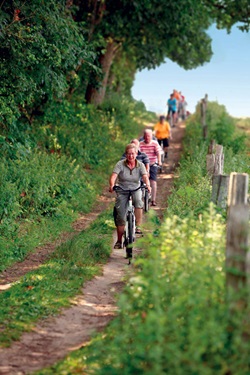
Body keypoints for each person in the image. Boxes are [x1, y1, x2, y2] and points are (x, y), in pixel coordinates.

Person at [109, 143, 151, 249]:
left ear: (136, 154)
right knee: (121, 216)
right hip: (122, 190)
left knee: (138, 201)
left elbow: (145, 177)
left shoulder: (140, 165)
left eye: (132, 154)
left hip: (135, 189)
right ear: (125, 154)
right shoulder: (120, 164)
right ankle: (119, 241)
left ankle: (138, 226)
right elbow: (114, 176)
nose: (130, 156)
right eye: (128, 154)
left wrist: (148, 185)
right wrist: (112, 185)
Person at [139, 129, 162, 206]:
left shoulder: (155, 143)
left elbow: (158, 152)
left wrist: (159, 161)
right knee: (140, 181)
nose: (147, 137)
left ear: (151, 136)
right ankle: (139, 198)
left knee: (153, 181)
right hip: (142, 165)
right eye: (145, 136)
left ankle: (153, 200)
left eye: (148, 136)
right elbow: (137, 154)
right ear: (143, 136)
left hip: (152, 164)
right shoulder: (140, 144)